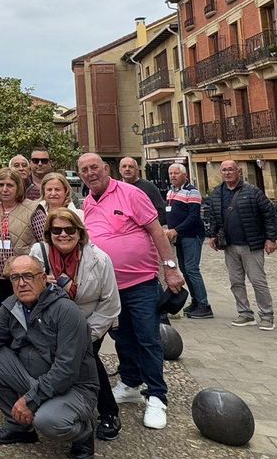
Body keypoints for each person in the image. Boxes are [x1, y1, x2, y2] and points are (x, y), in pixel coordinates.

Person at [78, 152, 184, 430]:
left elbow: (157, 231)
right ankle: (130, 383)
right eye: (84, 170)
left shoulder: (131, 193)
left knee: (147, 337)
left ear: (106, 168)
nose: (90, 173)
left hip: (141, 283)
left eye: (94, 167)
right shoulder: (88, 202)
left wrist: (171, 268)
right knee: (122, 337)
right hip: (109, 287)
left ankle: (157, 396)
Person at [0, 255, 98, 458]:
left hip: (73, 387)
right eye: (15, 277)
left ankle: (84, 433)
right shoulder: (12, 305)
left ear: (43, 278)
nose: (22, 283)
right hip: (34, 379)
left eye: (28, 276)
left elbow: (66, 369)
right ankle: (19, 427)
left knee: (48, 421)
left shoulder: (66, 311)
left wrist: (30, 400)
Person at [31, 208, 122, 442]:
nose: (63, 235)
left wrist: (85, 334)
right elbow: (26, 291)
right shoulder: (38, 254)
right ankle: (60, 403)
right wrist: (41, 285)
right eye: (56, 230)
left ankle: (108, 412)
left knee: (85, 358)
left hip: (89, 322)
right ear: (48, 233)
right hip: (51, 324)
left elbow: (110, 303)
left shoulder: (99, 259)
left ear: (80, 232)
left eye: (70, 229)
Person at [204, 160, 277, 331]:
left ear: (238, 171)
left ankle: (267, 315)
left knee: (257, 281)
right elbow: (213, 216)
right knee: (236, 281)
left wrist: (271, 238)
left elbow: (268, 214)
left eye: (231, 169)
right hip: (229, 245)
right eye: (224, 170)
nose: (227, 173)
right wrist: (212, 235)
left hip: (251, 244)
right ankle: (244, 313)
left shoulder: (252, 191)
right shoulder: (217, 193)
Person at [0, 168, 42, 316]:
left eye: (10, 185)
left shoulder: (32, 209)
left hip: (25, 279)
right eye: (1, 185)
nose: (4, 189)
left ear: (18, 187)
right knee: (2, 319)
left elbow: (45, 245)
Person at [165, 163, 211, 319]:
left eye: (176, 173)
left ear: (184, 175)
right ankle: (196, 301)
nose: (173, 176)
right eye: (171, 173)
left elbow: (193, 217)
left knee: (192, 269)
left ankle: (204, 305)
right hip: (179, 237)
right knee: (185, 270)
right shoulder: (170, 192)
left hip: (191, 235)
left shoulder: (192, 191)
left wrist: (176, 230)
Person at [119, 157, 167, 225]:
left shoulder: (149, 187)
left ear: (137, 170)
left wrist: (153, 227)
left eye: (131, 167)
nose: (127, 169)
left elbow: (161, 211)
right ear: (120, 170)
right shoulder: (116, 188)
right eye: (124, 166)